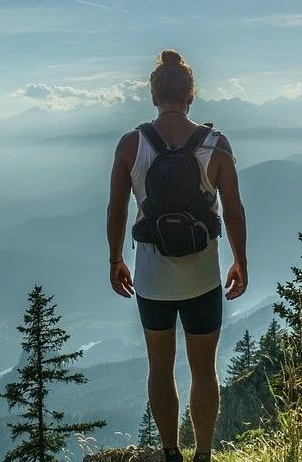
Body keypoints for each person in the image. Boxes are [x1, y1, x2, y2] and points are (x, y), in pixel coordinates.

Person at [106, 49, 248, 462]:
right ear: (190, 95)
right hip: (203, 275)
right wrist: (241, 260)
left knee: (160, 368)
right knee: (204, 370)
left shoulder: (132, 144)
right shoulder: (216, 145)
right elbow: (234, 210)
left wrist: (116, 259)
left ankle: (171, 454)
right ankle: (203, 454)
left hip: (152, 277)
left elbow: (116, 211)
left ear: (154, 96)